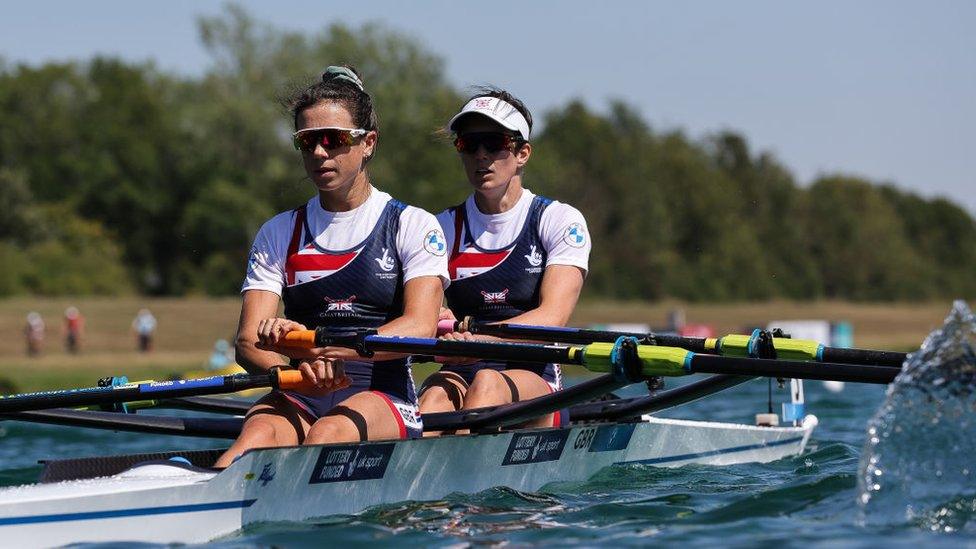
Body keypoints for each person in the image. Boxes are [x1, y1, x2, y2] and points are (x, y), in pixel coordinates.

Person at [215, 66, 447, 468]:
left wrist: (326, 349)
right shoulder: (279, 231)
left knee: (328, 434)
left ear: (368, 143)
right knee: (251, 441)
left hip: (383, 396)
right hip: (301, 388)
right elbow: (248, 341)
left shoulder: (413, 224)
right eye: (307, 142)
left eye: (334, 140)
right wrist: (297, 369)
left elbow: (420, 328)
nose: (320, 153)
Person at [418, 87, 592, 432]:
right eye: (469, 144)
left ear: (522, 153)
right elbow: (419, 310)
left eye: (494, 143)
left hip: (535, 375)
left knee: (487, 383)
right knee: (432, 398)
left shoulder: (558, 220)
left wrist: (482, 341)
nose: (481, 155)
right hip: (460, 368)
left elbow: (552, 317)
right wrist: (435, 317)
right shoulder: (439, 229)